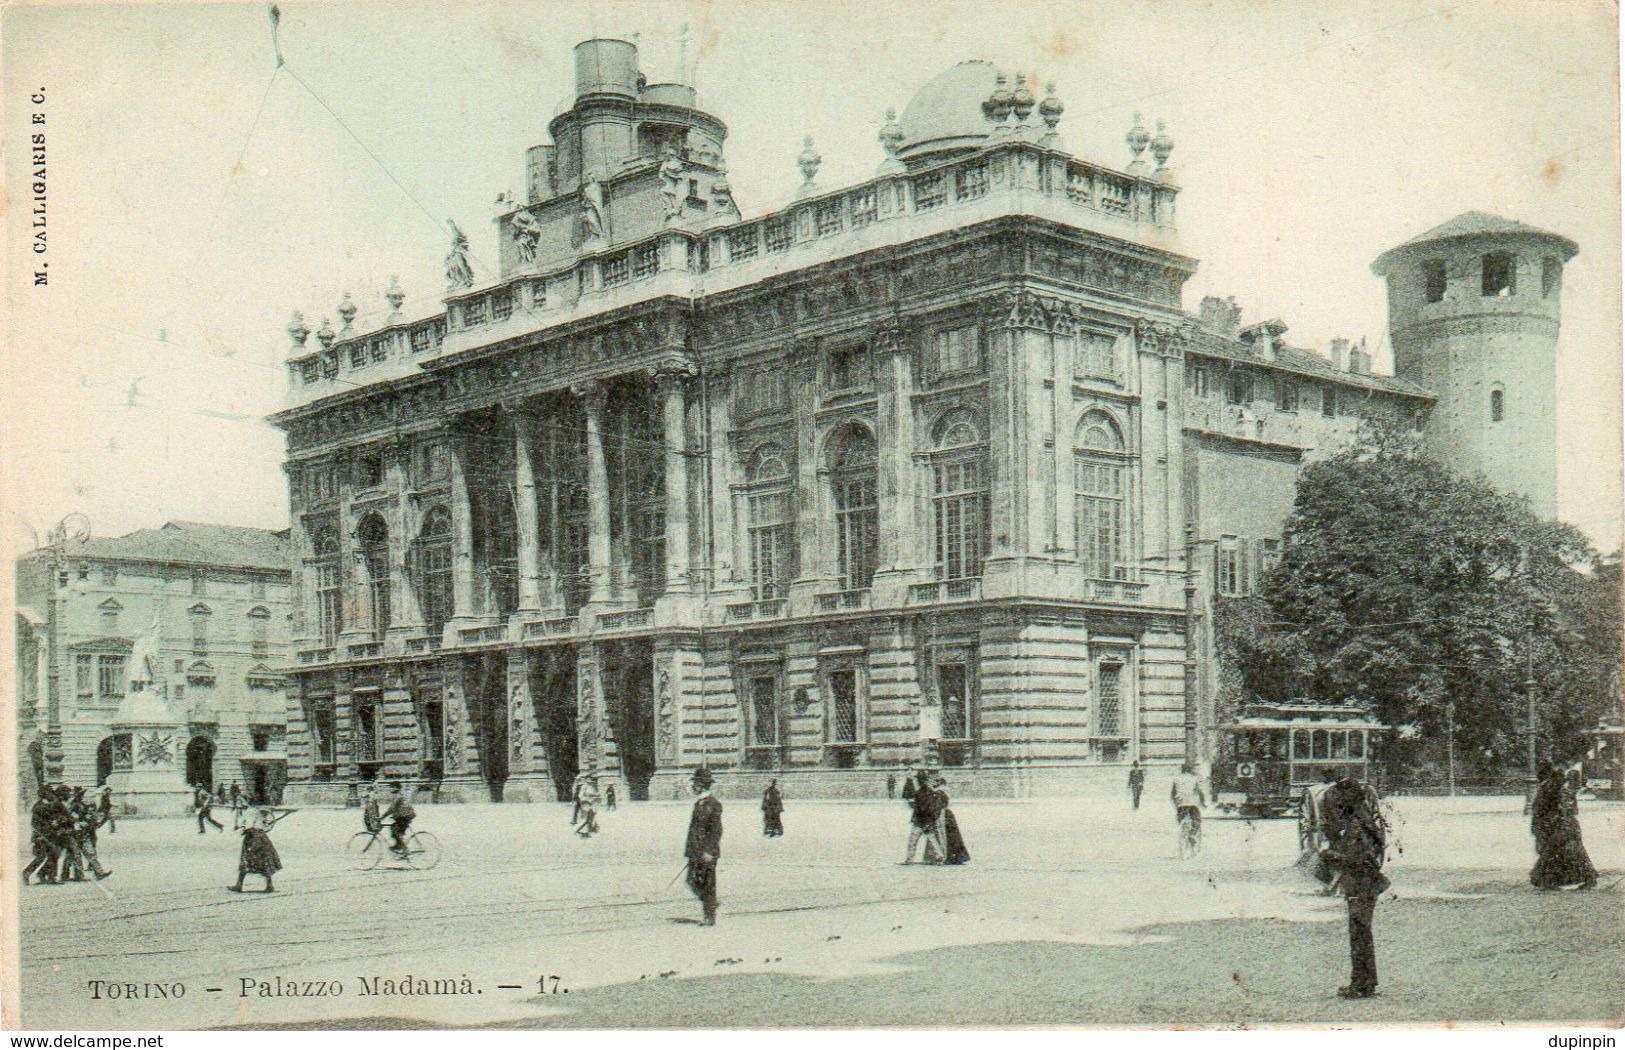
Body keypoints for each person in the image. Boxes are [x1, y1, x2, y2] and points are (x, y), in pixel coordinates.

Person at [1319, 774, 1390, 999]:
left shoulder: (1354, 827)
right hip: (1365, 883)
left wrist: (1330, 855)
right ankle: (1365, 981)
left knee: (1359, 934)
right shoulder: (1363, 819)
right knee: (1361, 933)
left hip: (1361, 883)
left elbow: (1358, 860)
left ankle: (1361, 984)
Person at [1530, 763, 1598, 890]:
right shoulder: (1556, 788)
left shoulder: (1550, 787)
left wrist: (1548, 822)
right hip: (1563, 825)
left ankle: (1546, 881)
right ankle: (1587, 878)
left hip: (1560, 826)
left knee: (1553, 853)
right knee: (1569, 853)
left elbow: (1547, 809)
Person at [684, 766, 723, 925]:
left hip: (707, 852)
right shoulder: (699, 803)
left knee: (708, 883)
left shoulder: (713, 804)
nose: (693, 786)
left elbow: (716, 830)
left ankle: (709, 917)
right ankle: (711, 903)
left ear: (702, 784)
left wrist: (709, 851)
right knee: (691, 880)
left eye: (696, 783)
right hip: (695, 850)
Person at [229, 808, 290, 893]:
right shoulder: (259, 811)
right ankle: (269, 885)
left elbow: (249, 825)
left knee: (247, 861)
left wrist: (241, 828)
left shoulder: (251, 811)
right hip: (260, 837)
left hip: (253, 838)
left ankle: (239, 885)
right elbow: (264, 825)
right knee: (263, 861)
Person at [904, 769, 946, 864]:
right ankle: (940, 856)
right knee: (932, 839)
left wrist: (914, 806)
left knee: (913, 840)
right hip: (928, 820)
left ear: (919, 780)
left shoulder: (920, 792)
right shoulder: (930, 792)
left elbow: (921, 808)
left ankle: (909, 859)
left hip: (920, 821)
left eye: (918, 779)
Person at [22, 787, 61, 885]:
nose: (51, 795)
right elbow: (35, 823)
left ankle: (46, 875)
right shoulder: (39, 806)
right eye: (49, 793)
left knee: (54, 854)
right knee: (42, 856)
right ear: (44, 794)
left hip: (47, 834)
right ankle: (27, 872)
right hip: (41, 836)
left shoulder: (45, 804)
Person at [933, 775, 970, 864]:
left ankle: (945, 856)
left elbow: (938, 805)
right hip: (948, 814)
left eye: (935, 782)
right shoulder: (945, 791)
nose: (933, 784)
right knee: (953, 836)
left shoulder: (939, 792)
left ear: (939, 783)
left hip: (941, 814)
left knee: (943, 836)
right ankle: (957, 856)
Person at [1170, 762, 1206, 850]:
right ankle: (1192, 834)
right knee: (1197, 820)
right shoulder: (1194, 778)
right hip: (1192, 803)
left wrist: (1176, 804)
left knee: (1180, 820)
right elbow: (1200, 792)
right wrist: (1203, 802)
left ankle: (1183, 832)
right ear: (1190, 770)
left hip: (1181, 804)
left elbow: (1172, 794)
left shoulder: (1176, 779)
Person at [383, 782, 416, 856]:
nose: (390, 789)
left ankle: (405, 850)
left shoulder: (398, 796)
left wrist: (382, 817)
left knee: (397, 832)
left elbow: (391, 809)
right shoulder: (400, 795)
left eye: (392, 787)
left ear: (397, 788)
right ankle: (398, 846)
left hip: (405, 816)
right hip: (404, 815)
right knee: (393, 828)